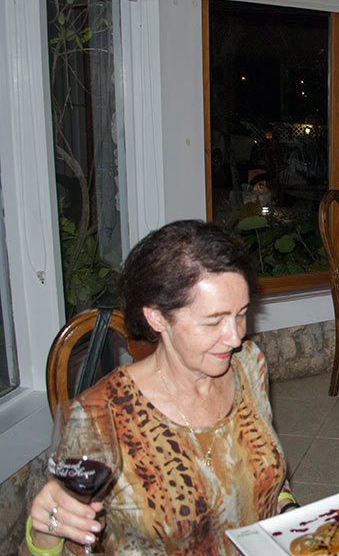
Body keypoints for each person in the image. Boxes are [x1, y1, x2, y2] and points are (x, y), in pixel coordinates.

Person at [23, 220, 297, 556]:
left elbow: (269, 478)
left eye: (241, 314)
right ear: (156, 318)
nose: (236, 336)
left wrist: (290, 515)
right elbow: (69, 539)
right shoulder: (99, 414)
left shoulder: (249, 365)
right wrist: (45, 534)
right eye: (214, 321)